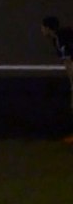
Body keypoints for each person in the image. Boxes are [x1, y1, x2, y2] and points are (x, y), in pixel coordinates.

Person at [39, 15, 73, 143]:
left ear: (48, 28)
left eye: (42, 27)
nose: (41, 29)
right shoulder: (59, 38)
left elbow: (69, 61)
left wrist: (72, 82)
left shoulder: (60, 38)